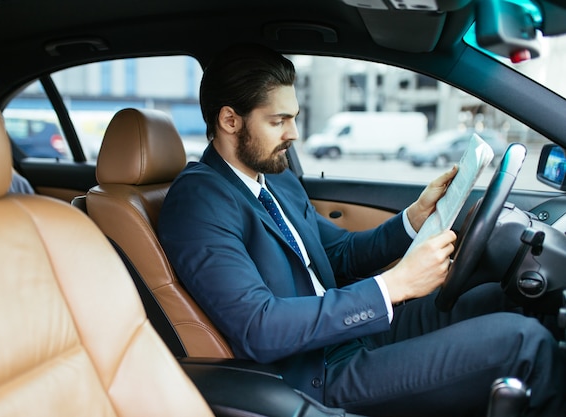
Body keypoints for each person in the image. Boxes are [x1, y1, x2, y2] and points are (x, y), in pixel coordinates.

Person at [158, 44, 565, 416]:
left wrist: (413, 219)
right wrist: (394, 286)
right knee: (523, 343)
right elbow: (259, 328)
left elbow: (336, 255)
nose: (294, 134)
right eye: (278, 121)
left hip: (352, 333)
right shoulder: (198, 202)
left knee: (500, 298)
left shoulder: (273, 178)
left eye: (294, 118)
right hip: (316, 373)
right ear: (230, 120)